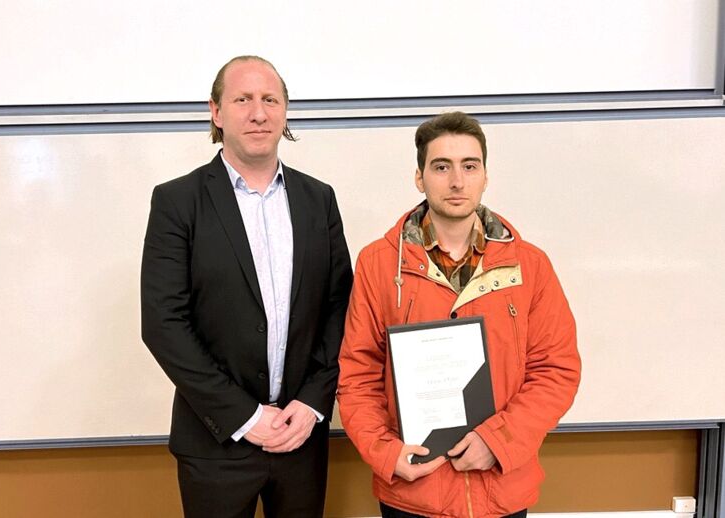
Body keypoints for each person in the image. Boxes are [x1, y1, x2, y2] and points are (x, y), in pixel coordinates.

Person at [337, 112, 581, 517]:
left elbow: (556, 371)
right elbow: (358, 373)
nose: (456, 181)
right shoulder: (379, 264)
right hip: (413, 492)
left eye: (470, 166)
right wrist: (385, 452)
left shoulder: (530, 266)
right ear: (420, 177)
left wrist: (498, 441)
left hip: (500, 491)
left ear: (485, 176)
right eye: (441, 166)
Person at [141, 55, 353, 518]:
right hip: (215, 444)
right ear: (216, 112)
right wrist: (247, 417)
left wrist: (313, 402)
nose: (259, 112)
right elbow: (163, 325)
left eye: (270, 99)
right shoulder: (177, 202)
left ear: (284, 111)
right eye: (243, 99)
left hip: (301, 438)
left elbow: (341, 308)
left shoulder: (319, 199)